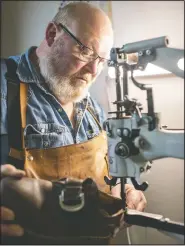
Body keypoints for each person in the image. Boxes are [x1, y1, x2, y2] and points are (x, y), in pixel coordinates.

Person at [0, 1, 147, 244]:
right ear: (51, 34)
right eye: (86, 51)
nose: (93, 69)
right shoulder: (6, 87)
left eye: (102, 59)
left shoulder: (90, 106)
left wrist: (129, 188)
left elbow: (112, 162)